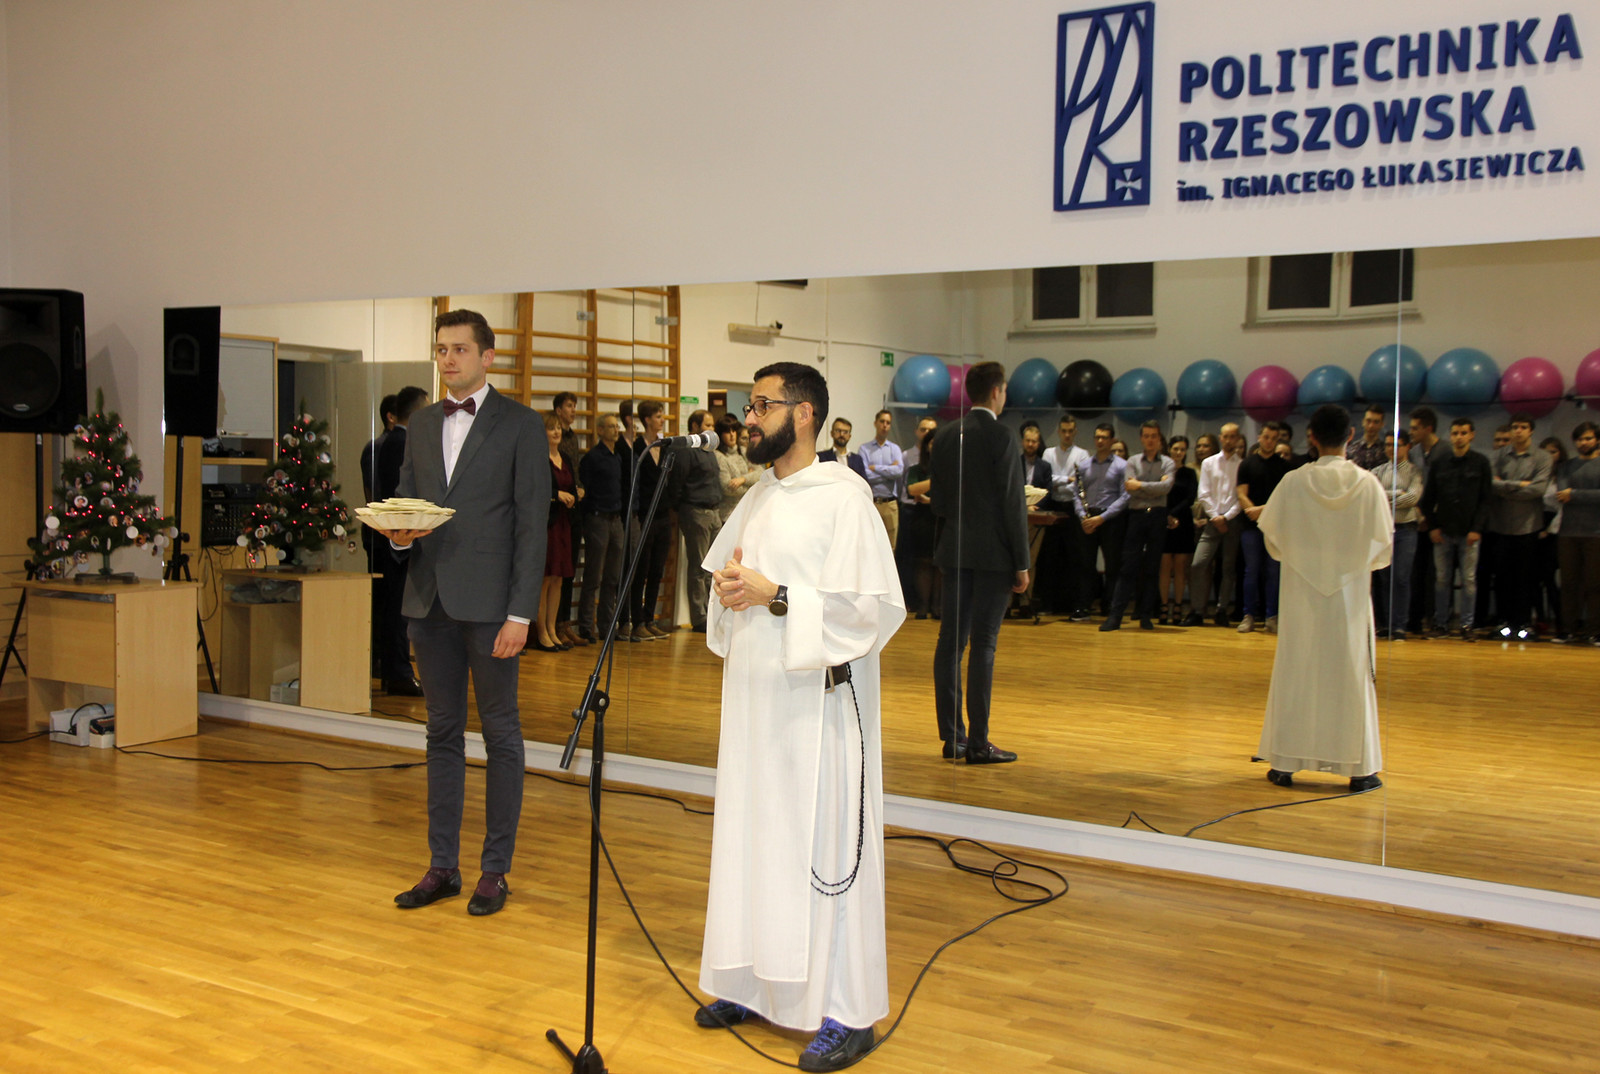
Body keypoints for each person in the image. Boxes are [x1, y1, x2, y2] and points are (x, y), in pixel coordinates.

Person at [693, 361, 904, 1073]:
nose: (748, 419)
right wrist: (731, 590)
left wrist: (775, 594)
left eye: (762, 406)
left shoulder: (845, 498)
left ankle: (849, 1011)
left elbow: (867, 612)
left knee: (828, 857)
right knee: (756, 840)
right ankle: (753, 984)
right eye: (749, 406)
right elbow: (735, 584)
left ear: (804, 413)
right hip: (757, 705)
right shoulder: (760, 495)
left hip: (820, 709)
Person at [378, 308, 548, 918]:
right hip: (429, 600)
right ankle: (442, 866)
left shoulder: (521, 424)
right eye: (441, 349)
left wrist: (521, 614)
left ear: (487, 356)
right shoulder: (422, 424)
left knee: (501, 735)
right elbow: (408, 504)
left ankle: (494, 870)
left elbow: (532, 526)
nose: (448, 359)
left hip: (493, 607)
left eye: (459, 349)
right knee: (441, 733)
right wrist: (399, 538)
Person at [1256, 405, 1391, 793]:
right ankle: (1359, 770)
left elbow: (1273, 539)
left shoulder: (1293, 482)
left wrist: (1309, 558)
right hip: (1349, 596)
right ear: (1350, 435)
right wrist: (1347, 565)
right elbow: (1382, 546)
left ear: (1311, 437)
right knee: (1349, 672)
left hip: (1302, 593)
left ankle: (1285, 763)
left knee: (1298, 669)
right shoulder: (1367, 484)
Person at [930, 361, 1027, 765]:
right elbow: (1012, 502)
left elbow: (938, 500)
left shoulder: (946, 435)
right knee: (983, 644)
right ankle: (979, 742)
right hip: (994, 555)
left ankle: (953, 737)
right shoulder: (1002, 435)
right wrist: (1022, 561)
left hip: (954, 549)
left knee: (950, 644)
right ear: (997, 391)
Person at [372, 386, 430, 693]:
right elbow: (401, 495)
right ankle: (397, 672)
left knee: (394, 605)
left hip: (395, 535)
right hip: (400, 536)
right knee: (397, 607)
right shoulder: (402, 443)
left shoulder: (391, 441)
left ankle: (392, 668)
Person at [1418, 417, 1492, 641]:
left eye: (1463, 433)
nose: (1459, 437)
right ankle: (1441, 623)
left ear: (1472, 435)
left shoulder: (1481, 462)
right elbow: (1427, 499)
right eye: (1455, 433)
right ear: (1450, 436)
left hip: (1469, 532)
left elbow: (1486, 500)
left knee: (1468, 580)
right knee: (1442, 580)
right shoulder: (1440, 463)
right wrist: (1433, 527)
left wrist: (1477, 529)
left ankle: (1467, 625)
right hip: (1444, 531)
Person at [1100, 420, 1175, 631]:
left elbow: (1166, 487)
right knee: (1127, 567)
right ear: (1141, 438)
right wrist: (1154, 486)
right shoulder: (1132, 461)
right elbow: (1129, 488)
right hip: (1136, 516)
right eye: (1147, 436)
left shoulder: (1168, 463)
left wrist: (1140, 485)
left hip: (1158, 517)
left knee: (1152, 568)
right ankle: (1115, 616)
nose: (1150, 440)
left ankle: (1145, 616)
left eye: (1154, 436)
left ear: (1159, 439)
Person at [1485, 413, 1553, 640]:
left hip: (1528, 526)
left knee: (1526, 578)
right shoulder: (1498, 455)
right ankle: (1503, 623)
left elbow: (1538, 489)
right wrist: (1520, 485)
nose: (1518, 431)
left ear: (1531, 430)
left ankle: (1523, 624)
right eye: (1515, 427)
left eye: (1523, 427)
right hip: (1501, 525)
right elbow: (1490, 485)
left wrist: (1506, 487)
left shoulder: (1542, 457)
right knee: (1502, 578)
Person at [670, 408, 725, 633]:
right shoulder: (687, 451)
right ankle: (698, 616)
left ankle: (711, 612)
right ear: (695, 427)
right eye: (707, 425)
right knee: (699, 567)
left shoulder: (709, 451)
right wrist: (682, 509)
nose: (712, 429)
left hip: (714, 512)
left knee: (713, 567)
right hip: (696, 511)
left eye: (712, 426)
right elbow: (677, 483)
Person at [1185, 422, 1244, 626]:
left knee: (1228, 567)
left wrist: (1226, 517)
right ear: (1220, 438)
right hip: (1212, 521)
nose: (1229, 440)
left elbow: (1241, 497)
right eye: (1225, 436)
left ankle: (1221, 609)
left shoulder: (1241, 464)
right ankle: (1197, 610)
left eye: (1232, 436)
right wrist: (1216, 517)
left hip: (1232, 521)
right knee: (1198, 564)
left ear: (1237, 439)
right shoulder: (1209, 463)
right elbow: (1203, 493)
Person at [577, 412, 629, 644]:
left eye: (616, 426)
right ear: (599, 430)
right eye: (610, 426)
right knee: (593, 576)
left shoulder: (617, 457)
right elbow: (585, 491)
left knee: (612, 577)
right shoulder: (592, 458)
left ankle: (607, 626)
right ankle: (586, 626)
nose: (615, 430)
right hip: (598, 519)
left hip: (616, 519)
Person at [1235, 421, 1288, 634]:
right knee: (1252, 570)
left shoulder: (1284, 467)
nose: (1269, 442)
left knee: (1274, 571)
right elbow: (1241, 494)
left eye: (1274, 439)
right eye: (1266, 437)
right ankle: (1248, 615)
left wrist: (1263, 511)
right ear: (1259, 437)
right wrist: (1253, 511)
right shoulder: (1247, 464)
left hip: (1275, 527)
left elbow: (1284, 498)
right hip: (1251, 526)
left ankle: (1271, 617)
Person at [1072, 422, 1130, 616]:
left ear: (1112, 440)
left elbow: (1125, 496)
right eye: (1097, 437)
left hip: (1110, 519)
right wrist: (1082, 516)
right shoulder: (1084, 465)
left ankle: (1109, 604)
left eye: (1104, 437)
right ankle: (1083, 604)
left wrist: (1102, 518)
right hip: (1088, 518)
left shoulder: (1122, 466)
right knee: (1085, 564)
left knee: (1112, 564)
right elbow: (1076, 493)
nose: (1100, 441)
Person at [1371, 430, 1423, 639]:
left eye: (1397, 445)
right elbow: (1372, 496)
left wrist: (1386, 498)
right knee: (1384, 578)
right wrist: (1397, 494)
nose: (1391, 449)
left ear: (1407, 446)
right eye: (1388, 445)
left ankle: (1399, 625)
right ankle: (1386, 624)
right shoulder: (1378, 471)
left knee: (1401, 577)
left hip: (1406, 529)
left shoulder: (1415, 471)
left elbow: (1413, 498)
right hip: (1383, 529)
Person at [629, 401, 673, 641]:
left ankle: (649, 618)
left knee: (657, 570)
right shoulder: (638, 447)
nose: (662, 420)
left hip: (663, 515)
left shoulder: (664, 446)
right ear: (646, 420)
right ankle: (637, 621)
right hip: (645, 515)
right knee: (642, 570)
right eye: (658, 416)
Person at [534, 412, 577, 651]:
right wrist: (555, 495)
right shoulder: (539, 459)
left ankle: (552, 628)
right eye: (552, 428)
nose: (557, 432)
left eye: (559, 428)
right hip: (547, 524)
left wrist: (574, 495)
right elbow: (535, 489)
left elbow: (571, 485)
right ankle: (541, 631)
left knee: (558, 579)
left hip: (564, 523)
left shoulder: (565, 458)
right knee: (545, 579)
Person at [1039, 416, 1091, 616]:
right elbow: (1046, 479)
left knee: (1075, 556)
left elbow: (1079, 482)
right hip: (1053, 506)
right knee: (1050, 556)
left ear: (1075, 432)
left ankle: (1076, 603)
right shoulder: (1048, 453)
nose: (1067, 435)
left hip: (1072, 507)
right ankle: (1047, 603)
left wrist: (1059, 482)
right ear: (1059, 432)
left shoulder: (1082, 454)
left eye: (1070, 431)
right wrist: (1065, 480)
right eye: (1064, 431)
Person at [1555, 422, 1600, 643]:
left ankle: (1595, 630)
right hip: (1568, 532)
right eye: (1580, 439)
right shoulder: (1566, 466)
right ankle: (1569, 629)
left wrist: (1574, 494)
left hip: (1596, 532)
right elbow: (1561, 493)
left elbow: (1572, 494)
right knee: (1569, 583)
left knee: (1595, 584)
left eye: (1588, 438)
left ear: (1597, 440)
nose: (1584, 443)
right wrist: (1576, 494)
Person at [551, 391, 585, 648]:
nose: (573, 410)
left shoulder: (572, 437)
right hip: (555, 510)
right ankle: (552, 626)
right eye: (569, 406)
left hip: (573, 506)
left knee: (569, 570)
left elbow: (574, 469)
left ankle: (564, 623)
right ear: (558, 410)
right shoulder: (550, 439)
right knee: (553, 573)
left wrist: (579, 488)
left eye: (575, 406)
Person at [1013, 420, 1052, 617]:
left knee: (1030, 561)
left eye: (1034, 441)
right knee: (1012, 560)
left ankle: (1025, 603)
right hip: (1015, 519)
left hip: (1036, 520)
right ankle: (1007, 604)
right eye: (1027, 441)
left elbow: (1048, 491)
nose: (1030, 444)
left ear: (1038, 443)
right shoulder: (1014, 462)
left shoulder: (1045, 466)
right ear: (1022, 441)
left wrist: (1034, 505)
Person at [901, 426, 939, 619]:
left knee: (940, 563)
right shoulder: (917, 468)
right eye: (931, 443)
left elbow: (953, 495)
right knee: (922, 562)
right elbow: (912, 489)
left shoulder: (951, 469)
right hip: (922, 518)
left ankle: (937, 605)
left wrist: (930, 499)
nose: (935, 446)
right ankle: (923, 605)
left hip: (942, 518)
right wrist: (937, 480)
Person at [1159, 434, 1197, 624]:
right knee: (1165, 566)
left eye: (1182, 449)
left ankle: (1179, 605)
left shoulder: (1189, 473)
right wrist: (1167, 515)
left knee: (1181, 567)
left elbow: (1190, 497)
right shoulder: (1162, 470)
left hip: (1183, 521)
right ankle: (1164, 605)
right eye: (1176, 449)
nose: (1179, 452)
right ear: (1169, 449)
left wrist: (1174, 514)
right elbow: (1158, 493)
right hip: (1163, 520)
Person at [857, 409, 904, 549]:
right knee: (870, 544)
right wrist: (889, 471)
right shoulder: (864, 449)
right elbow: (866, 475)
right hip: (872, 503)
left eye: (888, 423)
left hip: (890, 504)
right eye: (882, 421)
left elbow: (899, 471)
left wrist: (875, 467)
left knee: (891, 547)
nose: (885, 425)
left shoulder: (895, 449)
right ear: (875, 423)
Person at [1536, 435, 1567, 634]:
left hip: (1557, 530)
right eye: (1545, 452)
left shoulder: (1564, 475)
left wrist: (1548, 529)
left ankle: (1561, 621)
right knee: (1535, 578)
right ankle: (1540, 619)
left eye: (1553, 452)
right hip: (1537, 528)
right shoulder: (1538, 474)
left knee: (1550, 578)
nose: (1549, 456)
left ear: (1560, 454)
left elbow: (1563, 508)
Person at [716, 412, 754, 523]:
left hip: (746, 512)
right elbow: (727, 488)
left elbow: (761, 473)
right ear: (720, 435)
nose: (732, 435)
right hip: (727, 515)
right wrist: (751, 482)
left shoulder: (743, 451)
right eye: (727, 432)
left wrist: (743, 479)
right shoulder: (718, 456)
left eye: (733, 431)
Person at [1346, 405, 1387, 470]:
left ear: (1382, 424)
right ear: (1363, 422)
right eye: (1368, 421)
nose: (1371, 426)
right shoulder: (1351, 450)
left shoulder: (1386, 452)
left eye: (1376, 422)